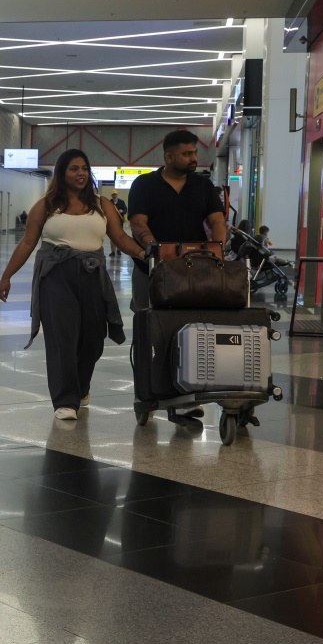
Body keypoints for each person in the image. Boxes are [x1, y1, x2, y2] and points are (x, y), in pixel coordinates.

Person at [0, 149, 146, 420]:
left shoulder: (102, 204)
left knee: (93, 340)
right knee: (61, 338)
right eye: (74, 169)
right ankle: (65, 401)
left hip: (92, 274)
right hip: (56, 276)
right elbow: (28, 242)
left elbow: (120, 237)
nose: (81, 174)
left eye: (84, 168)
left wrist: (143, 253)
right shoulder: (46, 206)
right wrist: (7, 276)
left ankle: (81, 386)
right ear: (62, 173)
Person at [127, 129, 227, 424]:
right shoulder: (144, 184)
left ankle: (183, 397)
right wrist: (155, 249)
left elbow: (217, 220)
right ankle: (147, 392)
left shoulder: (202, 185)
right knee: (150, 331)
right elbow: (138, 223)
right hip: (151, 270)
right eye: (187, 154)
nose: (194, 158)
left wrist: (218, 249)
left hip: (192, 271)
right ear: (169, 157)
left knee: (190, 331)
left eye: (195, 152)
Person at [108, 191, 128, 257]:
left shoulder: (121, 202)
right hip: (112, 221)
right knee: (112, 237)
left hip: (120, 221)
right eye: (113, 194)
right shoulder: (109, 202)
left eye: (115, 194)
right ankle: (112, 251)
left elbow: (125, 209)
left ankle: (119, 250)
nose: (114, 195)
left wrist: (122, 211)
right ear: (111, 195)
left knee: (119, 236)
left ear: (117, 195)